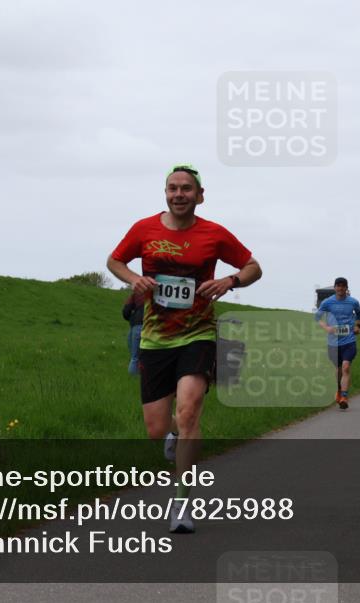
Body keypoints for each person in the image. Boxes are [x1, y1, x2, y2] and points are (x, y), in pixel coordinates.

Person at [107, 164, 262, 533]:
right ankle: (174, 435)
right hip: (155, 337)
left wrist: (230, 279)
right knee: (156, 429)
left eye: (187, 189)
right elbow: (114, 260)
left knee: (190, 412)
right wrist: (136, 279)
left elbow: (253, 266)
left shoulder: (214, 233)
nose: (179, 194)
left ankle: (181, 504)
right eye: (173, 188)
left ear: (199, 195)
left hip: (198, 334)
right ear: (165, 193)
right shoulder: (144, 229)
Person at [315, 277, 360, 410]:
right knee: (338, 370)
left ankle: (344, 396)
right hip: (333, 342)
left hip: (349, 340)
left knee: (346, 367)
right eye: (338, 286)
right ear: (335, 287)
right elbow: (317, 317)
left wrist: (358, 326)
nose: (340, 288)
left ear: (346, 288)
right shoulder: (327, 302)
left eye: (343, 286)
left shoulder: (353, 302)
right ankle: (338, 390)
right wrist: (326, 328)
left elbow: (359, 314)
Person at [122, 291, 146, 375]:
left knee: (134, 357)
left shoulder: (137, 293)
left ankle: (133, 377)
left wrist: (132, 317)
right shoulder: (157, 293)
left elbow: (126, 312)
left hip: (136, 325)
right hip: (152, 327)